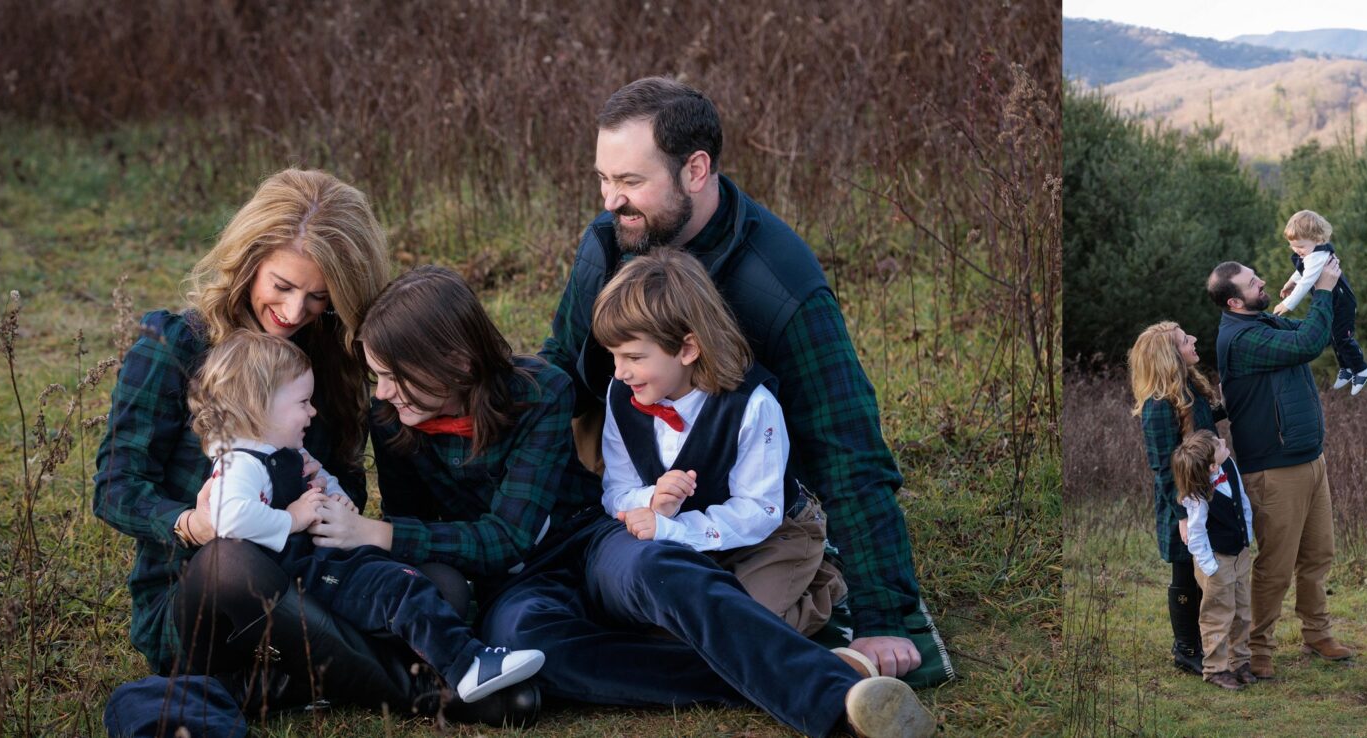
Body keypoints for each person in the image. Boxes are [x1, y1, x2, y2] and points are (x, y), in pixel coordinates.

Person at [314, 265, 931, 738]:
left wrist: (380, 535)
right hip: (513, 587)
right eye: (377, 377)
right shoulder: (390, 418)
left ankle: (832, 701)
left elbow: (508, 533)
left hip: (587, 539)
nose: (385, 393)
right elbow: (426, 525)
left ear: (455, 360)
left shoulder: (539, 393)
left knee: (655, 565)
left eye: (396, 375)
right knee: (532, 650)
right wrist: (395, 535)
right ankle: (792, 670)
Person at [536, 74, 940, 684]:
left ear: (695, 170)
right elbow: (560, 372)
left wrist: (884, 615)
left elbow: (847, 446)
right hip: (633, 476)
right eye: (603, 178)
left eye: (630, 181)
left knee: (730, 616)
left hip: (750, 486)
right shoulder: (609, 241)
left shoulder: (781, 285)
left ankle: (810, 596)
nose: (610, 199)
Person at [93, 169, 473, 717]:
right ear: (249, 261)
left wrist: (332, 505)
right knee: (230, 561)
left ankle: (269, 687)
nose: (295, 313)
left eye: (319, 297)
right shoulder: (175, 345)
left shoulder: (333, 363)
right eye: (283, 286)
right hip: (202, 595)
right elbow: (114, 487)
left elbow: (349, 493)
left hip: (310, 577)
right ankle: (423, 691)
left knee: (444, 587)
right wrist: (187, 524)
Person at [188, 331, 544, 704]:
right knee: (397, 589)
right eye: (304, 402)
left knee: (412, 582)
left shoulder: (283, 452)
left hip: (320, 563)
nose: (312, 412)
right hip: (298, 578)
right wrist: (292, 518)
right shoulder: (241, 462)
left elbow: (327, 483)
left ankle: (388, 668)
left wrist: (335, 498)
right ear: (257, 406)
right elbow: (230, 520)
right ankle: (466, 666)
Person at [595, 249, 847, 638]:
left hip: (772, 533)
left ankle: (823, 585)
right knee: (671, 620)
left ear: (688, 348)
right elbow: (617, 489)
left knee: (743, 628)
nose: (619, 371)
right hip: (678, 530)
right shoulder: (621, 394)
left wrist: (674, 529)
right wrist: (653, 504)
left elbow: (758, 511)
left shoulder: (751, 406)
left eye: (633, 357)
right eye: (613, 356)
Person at [1207, 258, 1355, 679]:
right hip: (1274, 470)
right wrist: (1321, 291)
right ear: (1236, 302)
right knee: (1275, 565)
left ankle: (1317, 633)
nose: (1264, 282)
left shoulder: (1265, 325)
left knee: (1318, 555)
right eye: (1254, 283)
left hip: (1311, 459)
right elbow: (1308, 344)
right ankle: (1259, 649)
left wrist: (1309, 290)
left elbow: (1314, 331)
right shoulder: (1241, 339)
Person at [1128, 321, 1224, 675]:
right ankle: (1185, 648)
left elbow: (1203, 425)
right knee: (1184, 569)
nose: (1194, 340)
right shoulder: (1157, 406)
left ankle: (1202, 639)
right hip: (1180, 501)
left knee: (1201, 569)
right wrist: (1183, 515)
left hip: (1205, 492)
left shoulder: (1188, 389)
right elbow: (1162, 466)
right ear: (1170, 355)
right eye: (1186, 340)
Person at [1171, 430, 1255, 691]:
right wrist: (1211, 568)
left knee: (1242, 610)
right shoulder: (1198, 496)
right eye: (1218, 444)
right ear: (1211, 465)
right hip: (1217, 561)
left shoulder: (1228, 465)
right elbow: (1195, 536)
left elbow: (1241, 500)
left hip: (1239, 554)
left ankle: (1240, 660)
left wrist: (1247, 536)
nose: (1223, 441)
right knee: (1218, 615)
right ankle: (1216, 668)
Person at [1272, 210, 1367, 395]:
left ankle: (1361, 369)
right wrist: (1291, 282)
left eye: (1300, 246)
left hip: (1342, 302)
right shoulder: (1311, 254)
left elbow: (1307, 280)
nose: (1296, 250)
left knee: (1342, 337)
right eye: (1292, 246)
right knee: (1333, 336)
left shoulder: (1318, 255)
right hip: (1333, 300)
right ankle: (1347, 368)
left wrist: (1288, 304)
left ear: (1317, 239)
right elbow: (1303, 267)